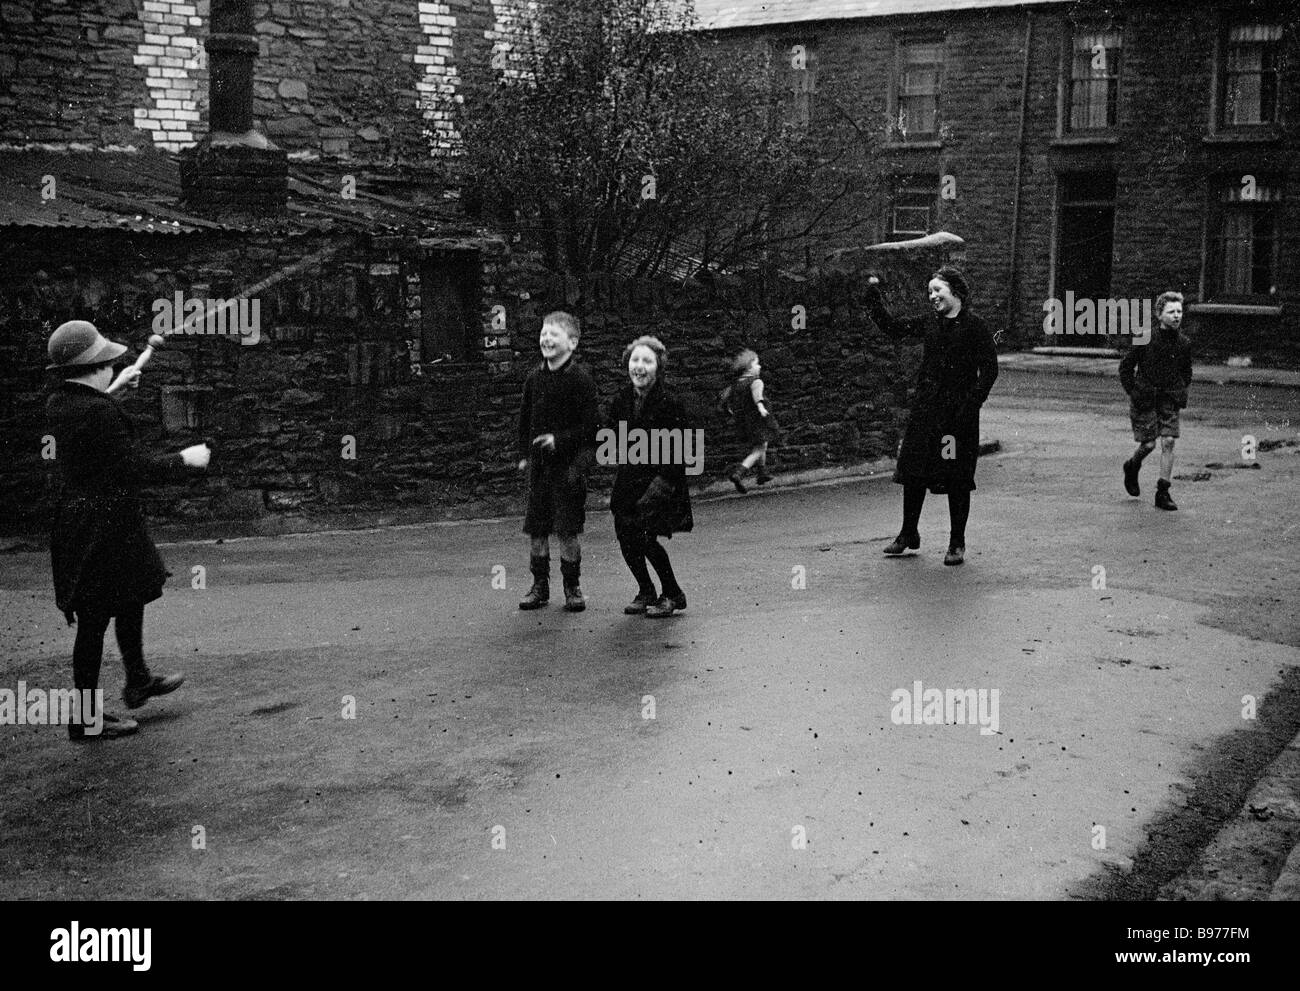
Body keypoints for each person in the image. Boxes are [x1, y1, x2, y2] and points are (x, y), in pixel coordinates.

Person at [44, 320, 210, 741]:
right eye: (107, 362)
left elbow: (91, 412)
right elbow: (131, 468)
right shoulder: (97, 413)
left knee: (130, 593)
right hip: (103, 529)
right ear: (95, 365)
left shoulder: (61, 403)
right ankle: (84, 719)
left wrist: (114, 388)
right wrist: (184, 460)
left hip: (89, 524)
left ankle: (137, 679)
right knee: (95, 620)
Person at [863, 266, 998, 566]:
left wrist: (972, 403)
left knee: (956, 477)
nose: (932, 296)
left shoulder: (975, 327)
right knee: (914, 471)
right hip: (926, 412)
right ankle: (908, 533)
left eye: (938, 290)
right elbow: (893, 328)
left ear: (956, 291)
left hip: (957, 417)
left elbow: (989, 369)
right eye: (929, 292)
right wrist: (873, 299)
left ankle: (956, 543)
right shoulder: (929, 322)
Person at [516, 311, 599, 611]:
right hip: (540, 469)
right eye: (543, 333)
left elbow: (592, 428)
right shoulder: (534, 379)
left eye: (554, 334)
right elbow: (525, 420)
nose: (546, 339)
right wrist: (524, 455)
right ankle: (539, 586)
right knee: (537, 529)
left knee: (566, 529)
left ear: (572, 343)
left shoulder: (581, 380)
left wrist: (559, 441)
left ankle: (572, 587)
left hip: (569, 469)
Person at [607, 336, 693, 618]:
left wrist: (663, 484)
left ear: (658, 367)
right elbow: (607, 435)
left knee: (645, 538)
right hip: (629, 480)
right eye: (634, 361)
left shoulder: (670, 403)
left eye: (647, 361)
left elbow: (681, 450)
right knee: (625, 536)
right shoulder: (621, 400)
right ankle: (646, 590)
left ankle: (672, 593)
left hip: (660, 482)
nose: (639, 367)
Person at [1120, 292, 1193, 511]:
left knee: (1169, 441)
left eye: (1179, 311)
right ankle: (1132, 466)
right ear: (1159, 315)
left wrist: (1179, 390)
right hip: (1145, 398)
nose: (1177, 316)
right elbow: (1125, 367)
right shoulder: (1145, 337)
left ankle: (1163, 491)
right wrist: (1134, 391)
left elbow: (1186, 371)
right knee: (1149, 444)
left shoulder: (1184, 343)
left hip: (1169, 399)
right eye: (1171, 312)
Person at [723, 349, 779, 493]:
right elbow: (757, 397)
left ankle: (762, 473)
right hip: (758, 421)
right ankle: (739, 473)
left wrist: (729, 411)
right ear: (749, 367)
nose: (759, 367)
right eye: (756, 364)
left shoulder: (736, 384)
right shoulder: (756, 381)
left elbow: (725, 400)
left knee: (762, 444)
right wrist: (761, 407)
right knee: (758, 449)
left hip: (745, 422)